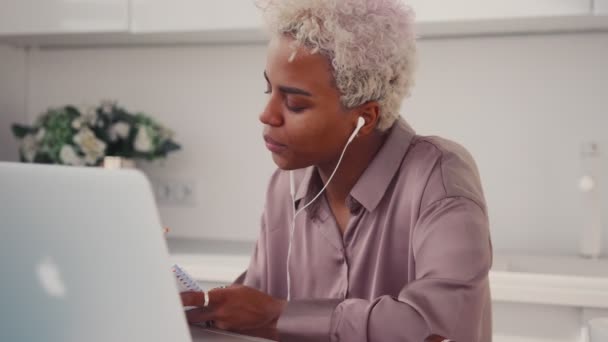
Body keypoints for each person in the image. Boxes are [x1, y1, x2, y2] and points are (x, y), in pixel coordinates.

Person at [181, 1, 492, 341]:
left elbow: (433, 327)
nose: (267, 115)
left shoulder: (439, 178)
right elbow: (253, 311)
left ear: (365, 119)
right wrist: (198, 308)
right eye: (269, 90)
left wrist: (279, 315)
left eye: (295, 103)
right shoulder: (283, 187)